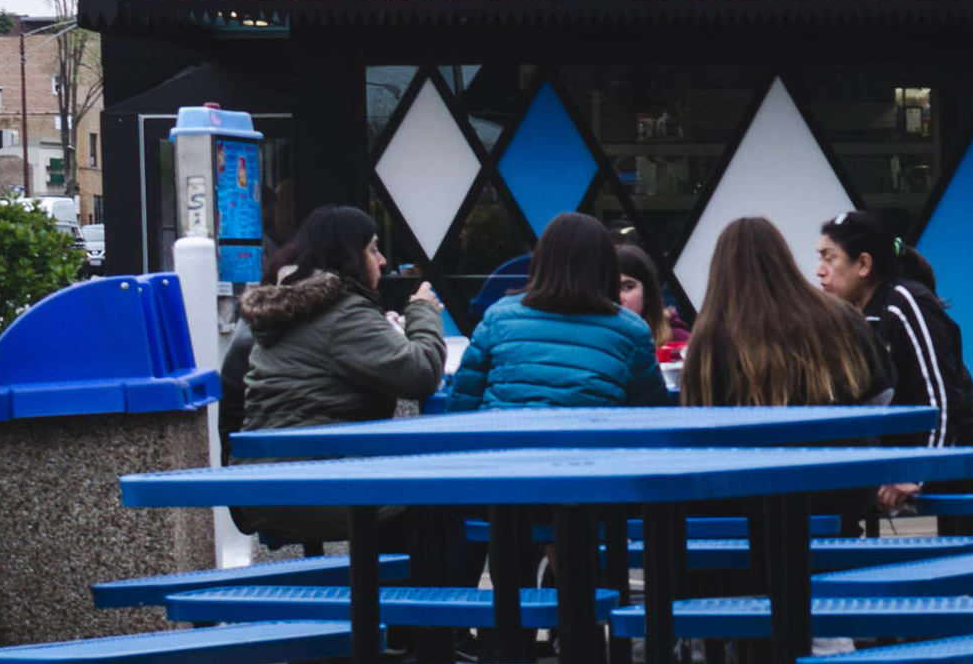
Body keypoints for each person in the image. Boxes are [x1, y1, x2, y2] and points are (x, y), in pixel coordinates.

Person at [228, 206, 451, 548]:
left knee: (426, 495)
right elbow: (421, 373)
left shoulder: (292, 309)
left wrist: (381, 330)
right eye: (373, 248)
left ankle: (395, 593)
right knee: (451, 494)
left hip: (269, 483)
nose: (382, 261)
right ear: (348, 254)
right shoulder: (341, 313)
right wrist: (422, 310)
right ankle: (418, 599)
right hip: (309, 485)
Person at [816, 211, 973, 515]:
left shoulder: (906, 303)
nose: (819, 270)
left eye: (829, 258)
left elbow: (940, 395)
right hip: (892, 459)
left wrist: (919, 470)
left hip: (952, 457)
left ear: (863, 264)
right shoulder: (846, 315)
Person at [439, 212, 667, 410]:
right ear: (605, 266)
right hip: (592, 454)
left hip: (503, 451)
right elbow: (650, 415)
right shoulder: (631, 329)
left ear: (540, 261)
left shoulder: (497, 318)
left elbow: (461, 403)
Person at [676, 218, 884, 409]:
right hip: (842, 446)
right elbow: (882, 390)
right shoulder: (841, 317)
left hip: (745, 448)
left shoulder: (708, 337)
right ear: (783, 260)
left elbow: (695, 410)